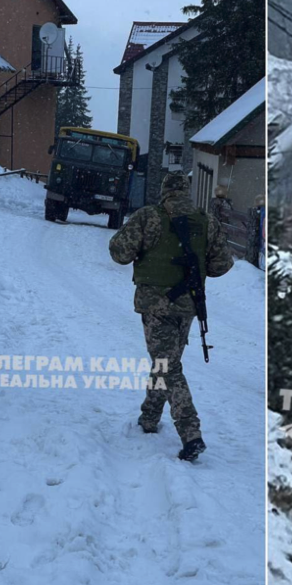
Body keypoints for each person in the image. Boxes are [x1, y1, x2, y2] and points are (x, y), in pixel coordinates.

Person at [109, 172, 233, 462]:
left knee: (168, 367)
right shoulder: (206, 221)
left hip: (155, 305)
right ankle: (149, 417)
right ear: (186, 192)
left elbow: (119, 253)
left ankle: (191, 434)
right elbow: (222, 265)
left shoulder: (148, 216)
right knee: (165, 363)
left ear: (164, 192)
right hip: (187, 305)